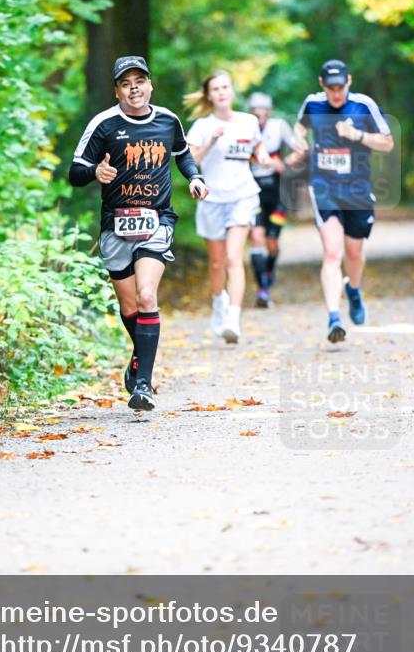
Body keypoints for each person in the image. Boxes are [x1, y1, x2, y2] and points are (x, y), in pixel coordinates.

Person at [69, 55, 207, 412]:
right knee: (129, 305)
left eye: (140, 81)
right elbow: (75, 171)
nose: (135, 88)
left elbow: (183, 153)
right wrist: (95, 173)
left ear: (150, 85)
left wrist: (194, 176)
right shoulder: (103, 124)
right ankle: (138, 361)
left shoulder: (167, 120)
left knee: (147, 295)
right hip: (116, 223)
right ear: (117, 90)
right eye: (126, 83)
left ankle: (142, 383)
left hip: (157, 220)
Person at [293, 59, 394, 343]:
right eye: (331, 87)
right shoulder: (313, 104)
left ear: (349, 82)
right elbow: (299, 127)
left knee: (354, 254)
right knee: (332, 253)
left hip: (358, 189)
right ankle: (334, 318)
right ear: (322, 84)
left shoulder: (363, 105)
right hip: (324, 187)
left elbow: (387, 143)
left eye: (341, 87)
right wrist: (298, 140)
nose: (336, 93)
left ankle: (354, 289)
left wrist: (358, 135)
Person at [185, 70, 273, 343]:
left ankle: (233, 318)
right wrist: (211, 140)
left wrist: (263, 156)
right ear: (209, 96)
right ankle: (218, 302)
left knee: (234, 258)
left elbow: (258, 148)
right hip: (211, 198)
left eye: (226, 87)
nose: (222, 92)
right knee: (216, 263)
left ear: (232, 91)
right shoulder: (201, 126)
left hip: (242, 195)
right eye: (216, 89)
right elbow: (190, 161)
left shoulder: (248, 121)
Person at [248, 92, 298, 307]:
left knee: (272, 243)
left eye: (263, 110)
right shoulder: (244, 127)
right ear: (251, 112)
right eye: (255, 110)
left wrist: (284, 164)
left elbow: (300, 149)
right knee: (257, 238)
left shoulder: (279, 126)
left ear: (269, 111)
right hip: (253, 192)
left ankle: (268, 275)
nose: (259, 114)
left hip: (277, 193)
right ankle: (262, 290)